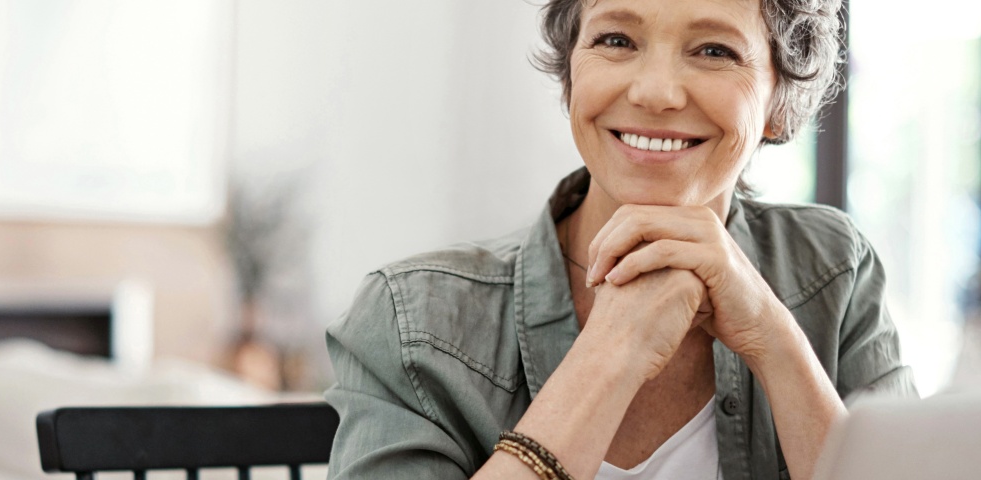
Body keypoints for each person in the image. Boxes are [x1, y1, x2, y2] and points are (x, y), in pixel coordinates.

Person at [324, 0, 917, 478]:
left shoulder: (833, 270)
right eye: (616, 41)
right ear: (569, 76)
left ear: (779, 102)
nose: (655, 92)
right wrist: (611, 355)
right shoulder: (412, 321)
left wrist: (771, 334)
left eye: (714, 50)